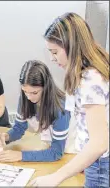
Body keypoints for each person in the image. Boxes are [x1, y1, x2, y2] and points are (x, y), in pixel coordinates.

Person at [30, 12, 109, 187]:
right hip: (95, 161)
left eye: (55, 52)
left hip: (100, 164)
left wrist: (56, 177)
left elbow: (99, 143)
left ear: (71, 45)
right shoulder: (87, 72)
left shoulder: (91, 78)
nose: (52, 58)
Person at [0, 60, 72, 162]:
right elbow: (19, 128)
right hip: (48, 150)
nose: (29, 97)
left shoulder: (60, 108)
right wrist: (6, 136)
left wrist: (21, 155)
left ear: (46, 87)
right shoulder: (24, 99)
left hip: (69, 152)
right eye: (25, 91)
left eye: (34, 92)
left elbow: (57, 153)